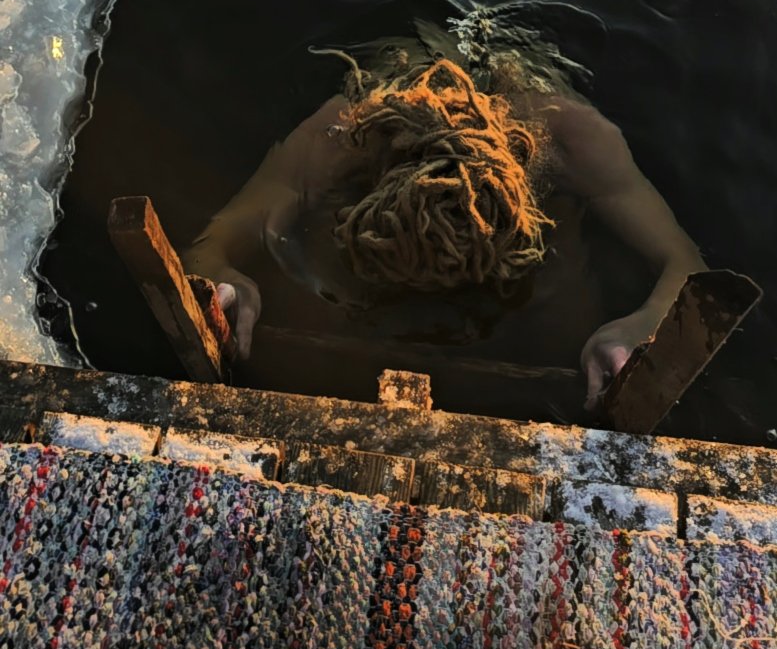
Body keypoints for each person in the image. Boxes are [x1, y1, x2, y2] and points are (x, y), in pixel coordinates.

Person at [184, 24, 705, 412]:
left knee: (565, 291)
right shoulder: (340, 135)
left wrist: (637, 330)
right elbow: (209, 247)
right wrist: (224, 281)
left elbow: (685, 263)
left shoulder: (575, 137)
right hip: (400, 78)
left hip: (523, 81)